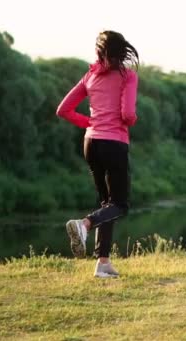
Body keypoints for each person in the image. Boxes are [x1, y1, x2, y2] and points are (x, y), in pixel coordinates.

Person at [56, 30, 139, 278]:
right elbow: (127, 115)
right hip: (114, 143)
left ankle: (103, 264)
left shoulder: (90, 76)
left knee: (107, 204)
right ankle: (85, 225)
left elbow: (63, 110)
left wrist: (89, 123)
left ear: (99, 51)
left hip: (90, 142)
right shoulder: (128, 76)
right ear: (122, 50)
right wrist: (133, 119)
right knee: (120, 205)